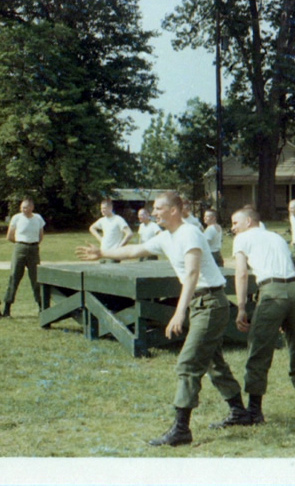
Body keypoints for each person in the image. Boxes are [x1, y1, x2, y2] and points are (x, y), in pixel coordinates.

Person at [75, 191, 244, 447]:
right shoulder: (166, 237)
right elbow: (134, 249)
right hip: (201, 303)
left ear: (174, 210)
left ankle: (181, 430)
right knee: (211, 360)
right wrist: (101, 252)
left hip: (210, 303)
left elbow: (192, 273)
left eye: (158, 208)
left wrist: (179, 311)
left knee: (188, 362)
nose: (154, 213)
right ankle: (240, 413)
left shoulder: (189, 234)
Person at [228, 206, 295, 426]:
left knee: (258, 350)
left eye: (235, 223)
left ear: (248, 221)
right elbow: (293, 263)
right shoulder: (276, 237)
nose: (232, 228)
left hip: (272, 294)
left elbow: (241, 273)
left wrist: (241, 306)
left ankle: (254, 411)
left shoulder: (242, 239)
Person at [2, 198, 45, 317]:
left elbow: (40, 236)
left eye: (26, 207)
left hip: (34, 249)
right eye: (22, 208)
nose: (24, 210)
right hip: (20, 248)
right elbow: (9, 236)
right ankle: (7, 308)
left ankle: (41, 307)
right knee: (14, 276)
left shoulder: (38, 218)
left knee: (36, 278)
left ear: (32, 207)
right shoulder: (16, 218)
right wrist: (21, 244)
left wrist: (33, 244)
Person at [88, 198, 133, 264]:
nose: (102, 210)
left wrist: (120, 246)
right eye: (101, 208)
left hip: (113, 255)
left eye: (104, 208)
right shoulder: (102, 220)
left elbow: (129, 233)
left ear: (110, 208)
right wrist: (100, 239)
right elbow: (92, 228)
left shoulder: (118, 219)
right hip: (103, 254)